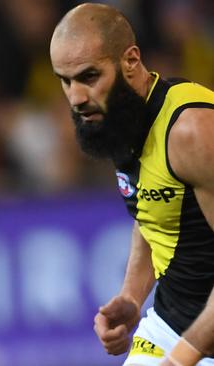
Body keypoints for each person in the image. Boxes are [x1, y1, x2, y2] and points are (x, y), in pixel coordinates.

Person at [49, 3, 214, 366]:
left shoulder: (193, 131)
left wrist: (184, 356)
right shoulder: (120, 116)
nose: (76, 97)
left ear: (130, 60)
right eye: (65, 80)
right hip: (173, 326)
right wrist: (132, 297)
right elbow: (154, 209)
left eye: (89, 76)